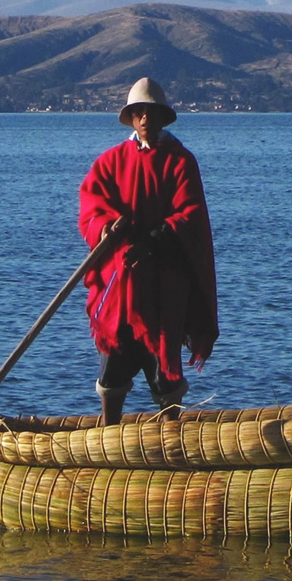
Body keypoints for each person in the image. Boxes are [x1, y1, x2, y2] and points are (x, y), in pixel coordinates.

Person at [78, 78, 219, 425]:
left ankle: (172, 436)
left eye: (151, 112)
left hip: (162, 284)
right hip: (120, 283)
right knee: (113, 362)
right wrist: (105, 227)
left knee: (163, 367)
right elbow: (91, 206)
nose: (145, 118)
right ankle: (108, 434)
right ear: (131, 117)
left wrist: (153, 241)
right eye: (138, 112)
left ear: (162, 117)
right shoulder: (111, 161)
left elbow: (189, 215)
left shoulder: (180, 161)